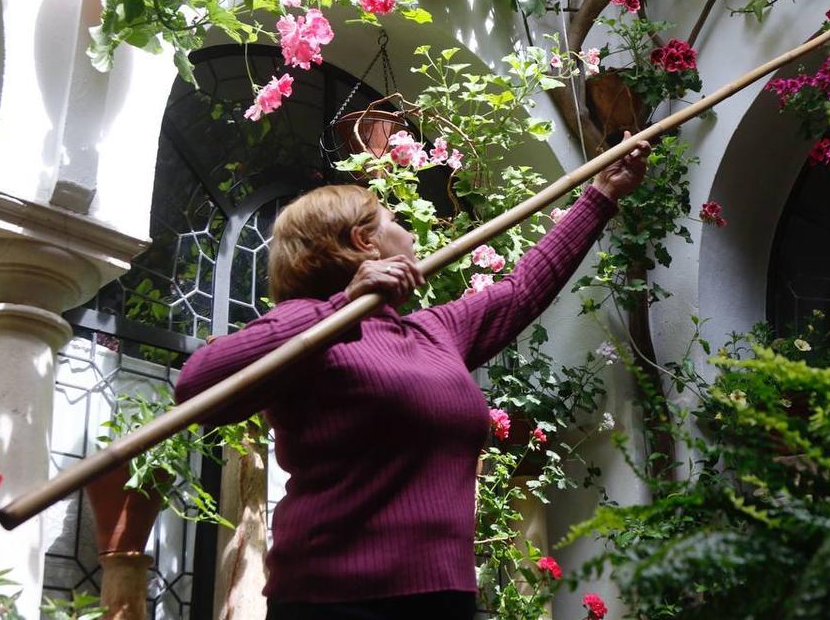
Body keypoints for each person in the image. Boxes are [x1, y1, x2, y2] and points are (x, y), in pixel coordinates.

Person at [174, 137, 651, 620]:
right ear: (365, 241)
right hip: (330, 602)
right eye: (394, 221)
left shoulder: (432, 331)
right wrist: (340, 308)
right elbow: (198, 385)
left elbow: (522, 289)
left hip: (445, 598)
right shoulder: (309, 327)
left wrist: (603, 194)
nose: (407, 231)